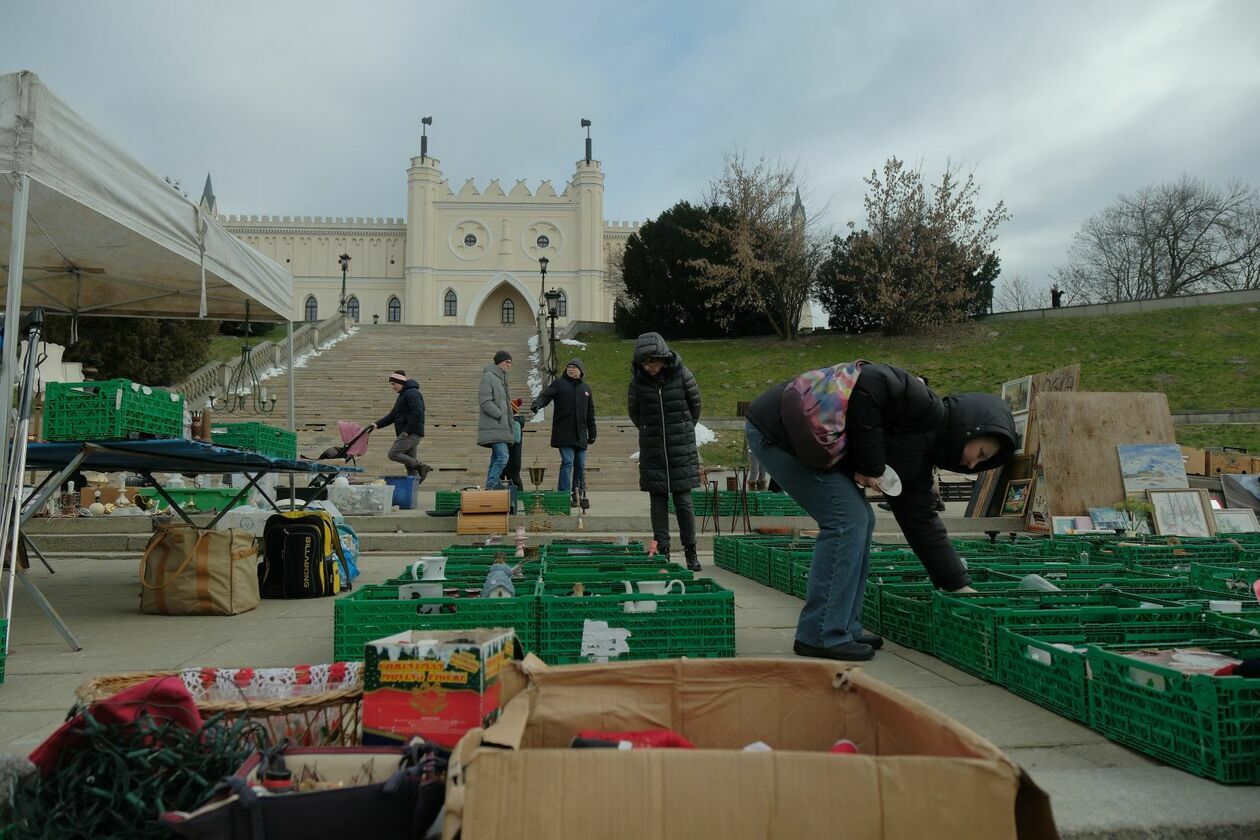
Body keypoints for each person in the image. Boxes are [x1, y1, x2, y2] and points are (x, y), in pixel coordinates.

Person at [744, 361, 1016, 661]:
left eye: (983, 463)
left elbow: (921, 523)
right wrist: (871, 464)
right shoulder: (924, 405)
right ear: (970, 429)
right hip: (778, 429)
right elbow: (869, 383)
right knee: (847, 520)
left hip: (800, 438)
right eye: (979, 454)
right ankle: (820, 633)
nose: (973, 465)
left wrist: (958, 584)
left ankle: (843, 625)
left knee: (862, 519)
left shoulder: (919, 462)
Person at [628, 333, 703, 572]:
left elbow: (695, 406)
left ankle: (690, 550)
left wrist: (681, 428)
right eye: (644, 363)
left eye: (650, 361)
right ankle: (663, 550)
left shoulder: (682, 375)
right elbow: (635, 412)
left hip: (680, 447)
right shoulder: (638, 382)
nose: (647, 367)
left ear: (662, 358)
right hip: (653, 449)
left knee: (683, 501)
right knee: (657, 502)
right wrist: (651, 430)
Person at [531, 358, 597, 507]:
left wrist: (592, 432)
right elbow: (546, 395)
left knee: (580, 464)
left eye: (574, 367)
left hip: (580, 434)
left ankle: (577, 495)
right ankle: (563, 495)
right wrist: (537, 404)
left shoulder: (586, 389)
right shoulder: (559, 384)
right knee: (568, 462)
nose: (570, 369)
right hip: (564, 433)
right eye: (568, 367)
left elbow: (590, 413)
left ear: (580, 371)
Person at [366, 370, 430, 482]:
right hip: (411, 432)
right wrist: (376, 424)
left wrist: (407, 431)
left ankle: (421, 466)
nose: (393, 387)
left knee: (393, 454)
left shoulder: (411, 393)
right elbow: (393, 415)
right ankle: (412, 490)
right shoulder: (403, 395)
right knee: (410, 465)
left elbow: (417, 412)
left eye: (394, 384)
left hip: (410, 432)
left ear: (400, 382)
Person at [478, 350, 514, 489]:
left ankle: (489, 487)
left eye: (511, 362)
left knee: (496, 459)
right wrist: (500, 415)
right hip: (495, 425)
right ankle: (491, 485)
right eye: (507, 362)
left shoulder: (502, 378)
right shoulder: (489, 376)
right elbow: (485, 401)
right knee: (503, 458)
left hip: (501, 427)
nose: (509, 365)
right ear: (499, 362)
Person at [501, 397, 526, 491]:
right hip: (511, 456)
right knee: (508, 478)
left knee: (514, 478)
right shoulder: (514, 422)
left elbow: (515, 439)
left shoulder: (515, 423)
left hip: (512, 457)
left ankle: (519, 497)